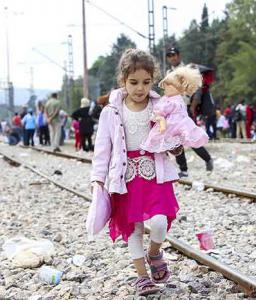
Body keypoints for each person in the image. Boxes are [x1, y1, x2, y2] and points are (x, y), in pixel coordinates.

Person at [91, 49, 180, 296]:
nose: (140, 88)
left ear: (153, 80)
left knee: (160, 222)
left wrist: (177, 145)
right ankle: (142, 277)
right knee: (133, 229)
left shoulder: (160, 107)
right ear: (123, 81)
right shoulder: (111, 111)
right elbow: (102, 149)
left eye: (146, 82)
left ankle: (154, 253)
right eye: (133, 82)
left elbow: (171, 134)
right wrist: (98, 179)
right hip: (125, 178)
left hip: (155, 174)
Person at [165, 47, 213, 176]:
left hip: (185, 109)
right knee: (176, 140)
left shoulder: (187, 69)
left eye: (174, 55)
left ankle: (207, 159)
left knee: (191, 138)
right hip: (174, 111)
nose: (172, 57)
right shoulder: (168, 72)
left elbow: (197, 87)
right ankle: (183, 169)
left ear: (179, 56)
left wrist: (193, 106)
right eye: (169, 55)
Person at [140, 66, 208, 152]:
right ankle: (177, 150)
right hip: (181, 123)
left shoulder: (171, 100)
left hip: (172, 124)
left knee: (163, 134)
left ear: (176, 88)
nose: (165, 87)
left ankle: (175, 150)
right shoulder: (178, 98)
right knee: (177, 138)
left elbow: (162, 110)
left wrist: (158, 115)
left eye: (168, 85)